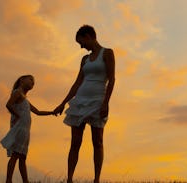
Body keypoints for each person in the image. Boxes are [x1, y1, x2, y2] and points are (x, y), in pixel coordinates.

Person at [54, 25, 115, 183]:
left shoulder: (107, 53)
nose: (81, 47)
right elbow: (77, 83)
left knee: (98, 141)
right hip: (80, 101)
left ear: (88, 36)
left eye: (81, 42)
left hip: (98, 101)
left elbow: (112, 79)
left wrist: (105, 103)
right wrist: (63, 103)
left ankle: (96, 179)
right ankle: (69, 179)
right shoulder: (84, 60)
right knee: (75, 142)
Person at [0, 75, 55, 183]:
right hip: (20, 128)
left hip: (25, 130)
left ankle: (25, 181)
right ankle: (8, 180)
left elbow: (38, 112)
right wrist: (18, 116)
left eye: (33, 82)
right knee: (16, 155)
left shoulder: (25, 99)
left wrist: (52, 112)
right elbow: (8, 105)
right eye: (30, 79)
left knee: (22, 157)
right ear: (21, 80)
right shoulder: (17, 92)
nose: (32, 82)